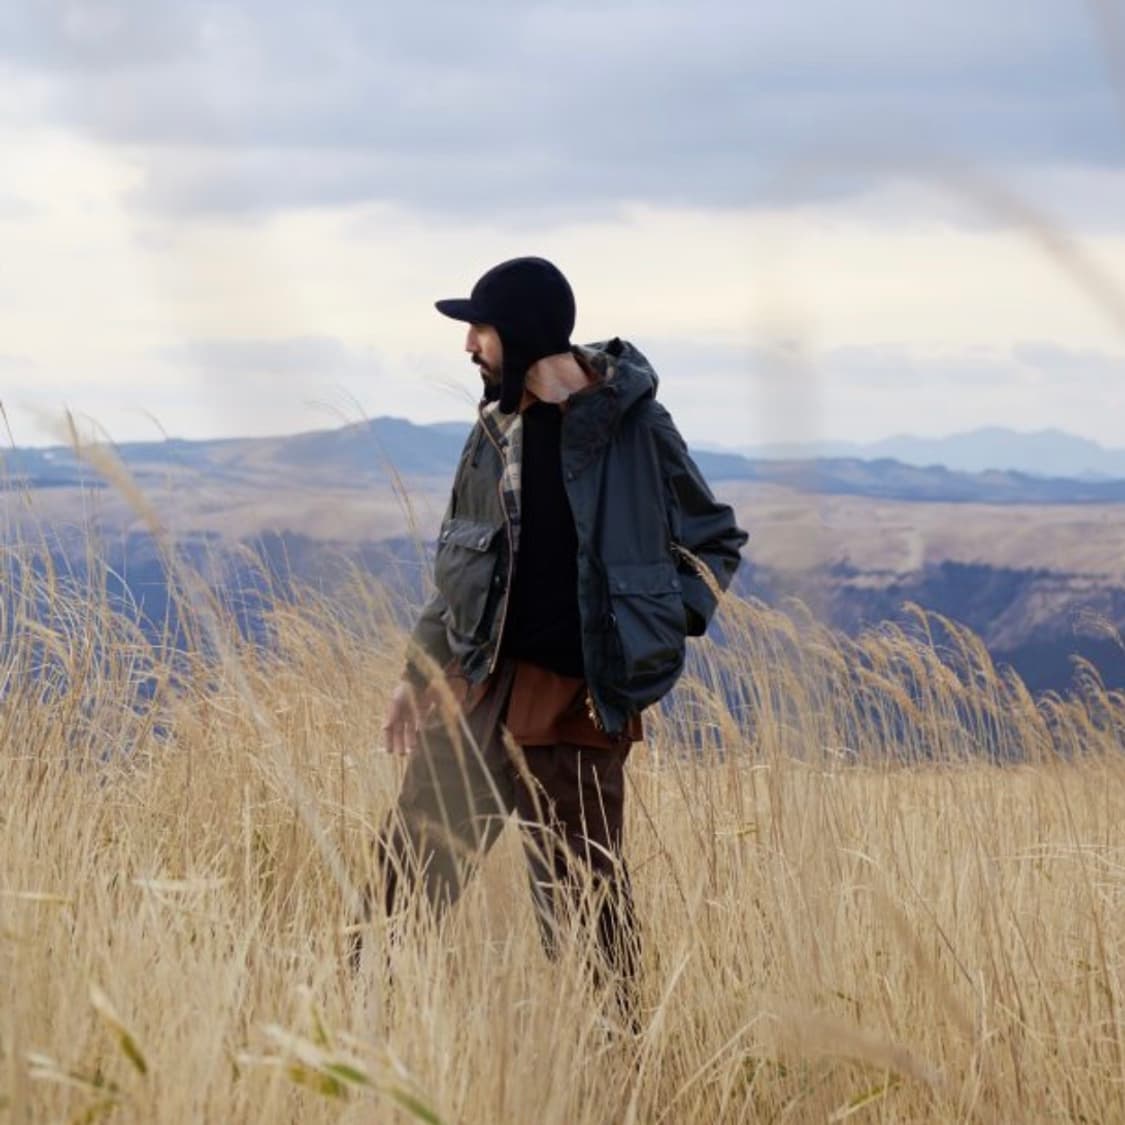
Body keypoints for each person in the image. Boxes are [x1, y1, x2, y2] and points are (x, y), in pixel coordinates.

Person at [364, 256, 747, 1018]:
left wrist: (648, 632)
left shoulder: (634, 427)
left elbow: (713, 542)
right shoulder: (493, 429)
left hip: (576, 702)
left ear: (525, 333)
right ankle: (352, 1036)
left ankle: (614, 1077)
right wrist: (418, 670)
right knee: (402, 881)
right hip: (478, 687)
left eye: (480, 328)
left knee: (586, 916)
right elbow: (463, 564)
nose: (469, 345)